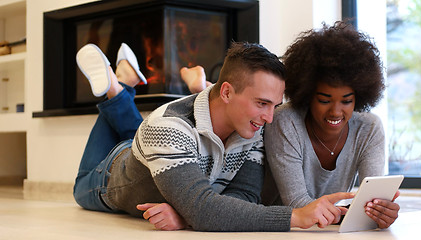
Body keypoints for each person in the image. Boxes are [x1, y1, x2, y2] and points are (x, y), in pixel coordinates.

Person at [73, 41, 355, 232]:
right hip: (108, 176)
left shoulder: (251, 127)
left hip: (164, 152)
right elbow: (204, 209)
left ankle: (124, 80)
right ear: (227, 92)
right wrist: (295, 216)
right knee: (79, 190)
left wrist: (189, 213)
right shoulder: (167, 128)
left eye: (274, 105)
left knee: (148, 134)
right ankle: (119, 84)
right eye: (261, 103)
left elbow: (245, 195)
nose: (270, 118)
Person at [263, 21, 400, 229]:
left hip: (328, 230)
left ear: (359, 97)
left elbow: (369, 204)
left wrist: (380, 212)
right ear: (307, 95)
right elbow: (297, 204)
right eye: (324, 100)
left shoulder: (368, 129)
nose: (336, 112)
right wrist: (352, 215)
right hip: (277, 230)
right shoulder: (285, 121)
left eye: (346, 101)